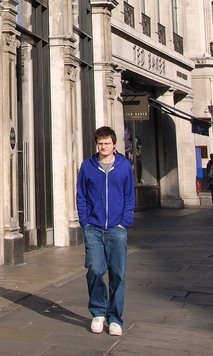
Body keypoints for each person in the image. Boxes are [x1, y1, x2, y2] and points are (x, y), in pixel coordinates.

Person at [76, 126, 135, 337]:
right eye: (100, 143)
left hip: (117, 229)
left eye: (107, 143)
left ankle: (115, 318)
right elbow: (81, 195)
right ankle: (98, 312)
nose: (103, 147)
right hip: (94, 227)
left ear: (114, 145)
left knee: (118, 273)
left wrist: (125, 221)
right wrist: (85, 221)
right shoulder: (88, 166)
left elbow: (130, 195)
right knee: (94, 269)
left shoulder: (124, 167)